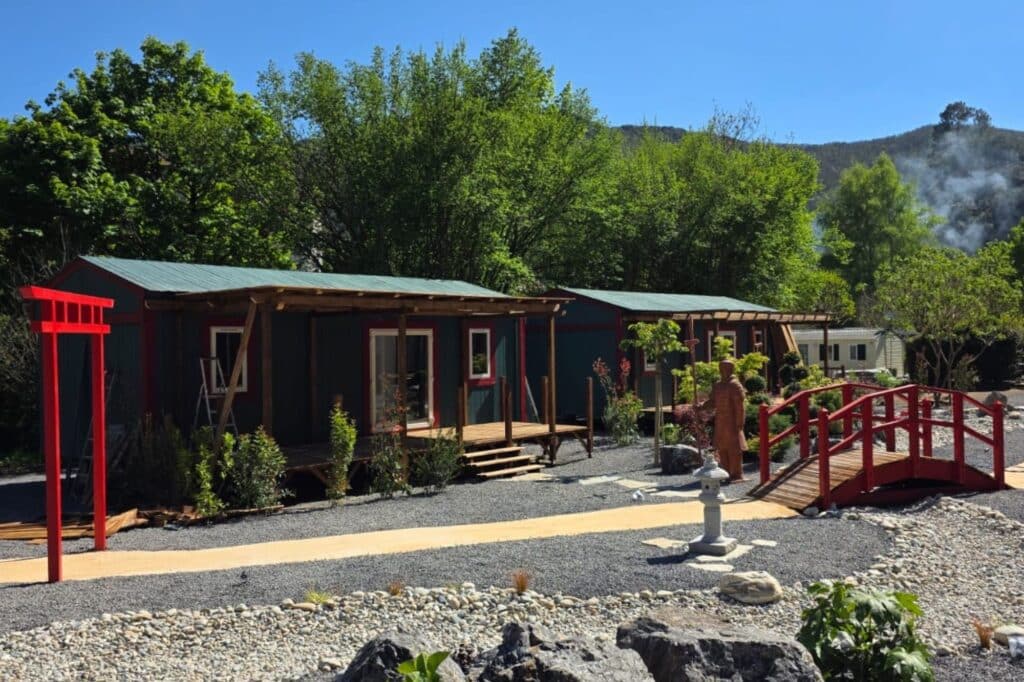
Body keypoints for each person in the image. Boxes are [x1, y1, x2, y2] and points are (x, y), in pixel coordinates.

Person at [707, 359, 747, 481]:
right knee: (722, 447)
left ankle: (736, 474)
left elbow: (739, 407)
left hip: (732, 422)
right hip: (720, 421)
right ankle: (726, 472)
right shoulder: (718, 385)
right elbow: (713, 402)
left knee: (734, 448)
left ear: (730, 369)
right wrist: (701, 407)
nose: (722, 370)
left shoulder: (735, 385)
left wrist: (739, 423)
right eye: (721, 368)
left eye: (724, 368)